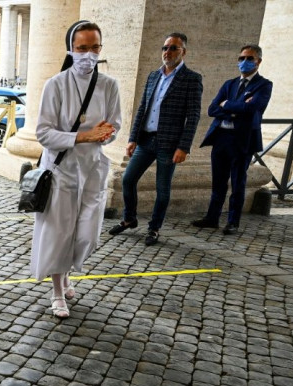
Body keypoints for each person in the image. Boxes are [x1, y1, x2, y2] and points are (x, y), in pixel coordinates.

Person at [32, 20, 121, 319]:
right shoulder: (55, 85)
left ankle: (67, 272)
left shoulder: (110, 85)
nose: (88, 55)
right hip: (61, 171)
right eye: (82, 48)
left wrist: (107, 132)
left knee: (86, 235)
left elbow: (115, 125)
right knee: (59, 234)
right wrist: (83, 136)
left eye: (94, 48)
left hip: (93, 169)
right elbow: (44, 133)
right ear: (70, 49)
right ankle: (58, 290)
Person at [109, 32, 203, 245]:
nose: (167, 52)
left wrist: (184, 147)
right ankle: (129, 218)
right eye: (165, 48)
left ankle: (154, 228)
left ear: (183, 52)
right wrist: (132, 138)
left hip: (169, 145)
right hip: (146, 140)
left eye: (173, 48)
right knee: (128, 179)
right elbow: (142, 108)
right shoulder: (154, 76)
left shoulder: (192, 79)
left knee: (162, 190)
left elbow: (194, 116)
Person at [192, 44, 272, 235]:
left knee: (238, 183)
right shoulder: (230, 84)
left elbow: (253, 108)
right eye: (241, 58)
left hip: (242, 141)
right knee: (218, 182)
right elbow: (212, 109)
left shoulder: (264, 85)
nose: (244, 62)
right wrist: (235, 109)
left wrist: (226, 104)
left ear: (258, 61)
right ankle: (212, 218)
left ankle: (233, 222)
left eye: (249, 58)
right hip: (221, 138)